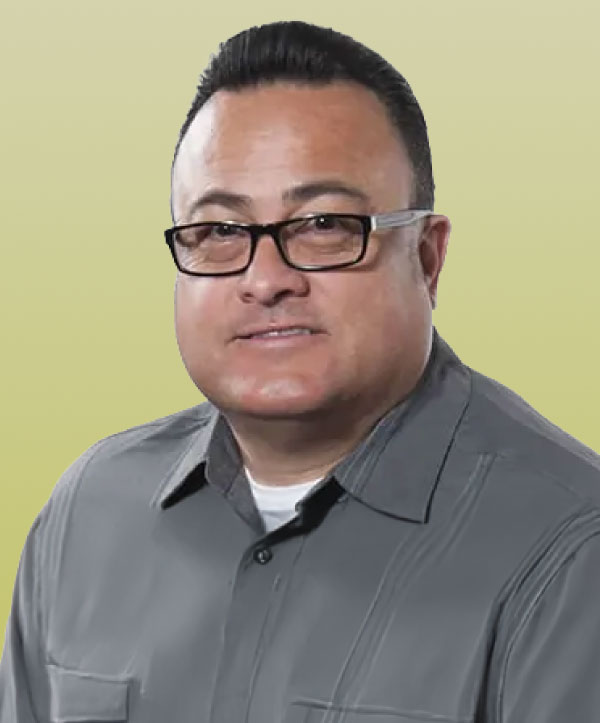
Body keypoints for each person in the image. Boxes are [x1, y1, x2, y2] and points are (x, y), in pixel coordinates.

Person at [1, 19, 599, 723]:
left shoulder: (569, 546)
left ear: (427, 257)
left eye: (323, 225)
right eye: (219, 231)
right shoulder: (88, 514)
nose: (265, 280)